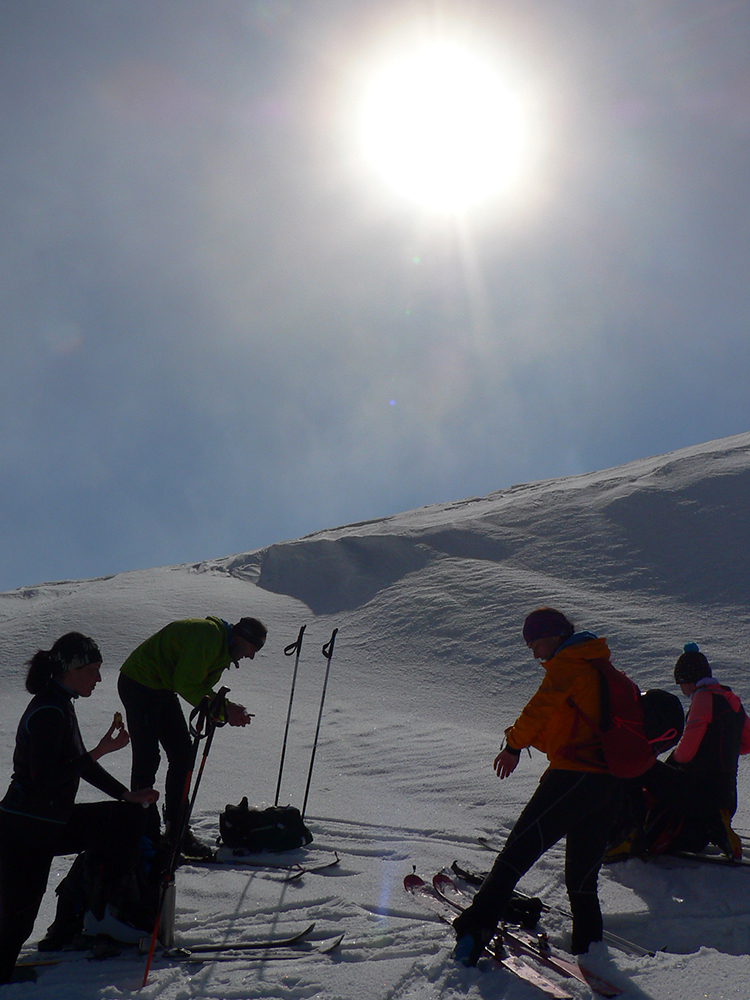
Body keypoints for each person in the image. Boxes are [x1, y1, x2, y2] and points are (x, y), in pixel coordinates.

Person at [453, 607, 627, 965]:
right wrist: (530, 739)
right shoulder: (594, 663)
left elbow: (538, 709)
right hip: (607, 783)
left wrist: (513, 745)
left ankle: (475, 929)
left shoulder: (569, 663)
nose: (534, 654)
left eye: (534, 644)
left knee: (518, 850)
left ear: (554, 635)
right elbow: (570, 731)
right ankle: (589, 948)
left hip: (574, 777)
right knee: (582, 876)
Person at [0, 632, 158, 985]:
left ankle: (106, 909)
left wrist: (125, 794)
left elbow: (78, 764)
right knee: (19, 915)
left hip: (49, 823)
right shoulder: (49, 711)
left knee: (127, 817)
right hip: (26, 828)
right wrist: (100, 750)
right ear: (72, 670)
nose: (99, 678)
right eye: (93, 670)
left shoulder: (60, 703)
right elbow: (44, 779)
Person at [117, 615, 266, 858]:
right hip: (139, 682)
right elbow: (186, 683)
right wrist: (225, 708)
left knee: (183, 755)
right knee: (147, 757)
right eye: (253, 648)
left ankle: (177, 831)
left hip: (163, 686)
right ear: (242, 637)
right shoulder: (208, 636)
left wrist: (225, 709)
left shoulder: (223, 650)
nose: (251, 656)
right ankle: (145, 833)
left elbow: (198, 687)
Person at [636, 642, 750, 859]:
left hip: (699, 793)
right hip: (727, 796)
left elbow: (685, 753)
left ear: (687, 680)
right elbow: (748, 742)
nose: (681, 689)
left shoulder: (702, 698)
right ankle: (715, 824)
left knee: (643, 767)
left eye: (680, 683)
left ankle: (628, 833)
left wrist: (669, 764)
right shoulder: (730, 699)